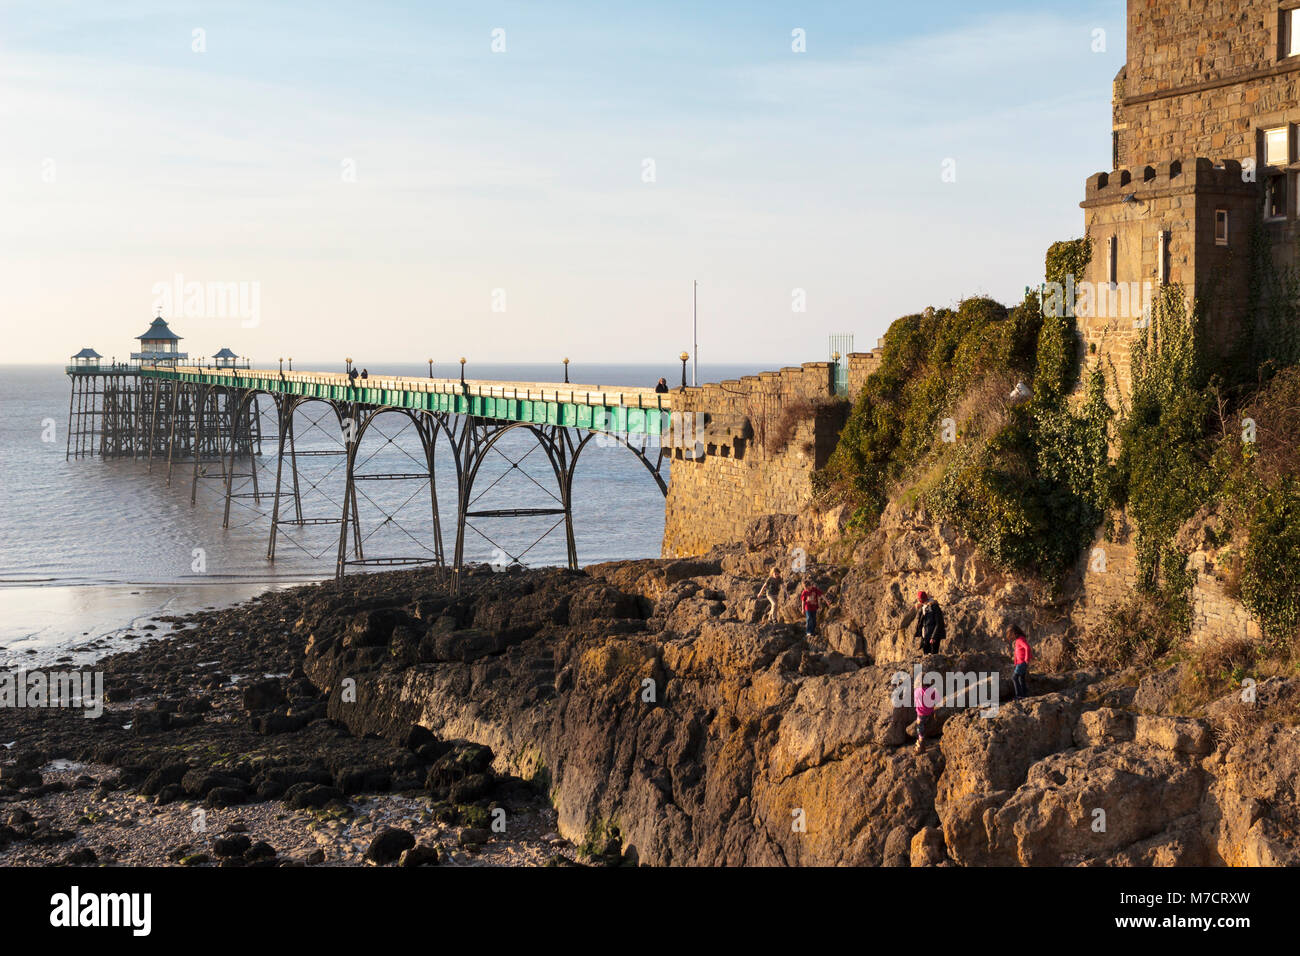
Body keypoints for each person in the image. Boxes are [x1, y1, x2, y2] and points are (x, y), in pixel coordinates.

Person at [914, 590, 946, 654]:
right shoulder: (923, 608)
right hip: (925, 637)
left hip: (933, 638)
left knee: (933, 657)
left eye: (919, 598)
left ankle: (935, 664)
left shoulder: (934, 607)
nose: (919, 600)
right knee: (924, 657)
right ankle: (919, 665)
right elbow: (921, 623)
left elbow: (939, 623)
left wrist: (933, 637)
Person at [913, 675, 939, 754]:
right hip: (930, 712)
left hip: (921, 714)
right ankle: (922, 740)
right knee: (925, 725)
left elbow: (916, 701)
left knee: (920, 727)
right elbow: (937, 699)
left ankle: (921, 743)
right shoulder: (932, 690)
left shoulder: (917, 691)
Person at [1008, 624, 1032, 700]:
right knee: (1021, 678)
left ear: (1015, 633)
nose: (1010, 637)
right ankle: (1024, 694)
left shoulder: (1020, 640)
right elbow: (1016, 653)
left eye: (1010, 634)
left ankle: (1019, 695)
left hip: (1022, 662)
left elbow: (1027, 647)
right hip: (1020, 663)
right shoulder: (1019, 640)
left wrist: (1026, 659)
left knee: (1014, 678)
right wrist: (1015, 662)